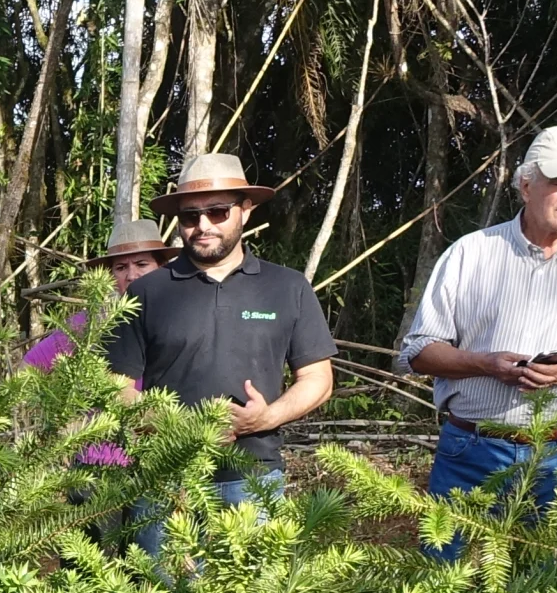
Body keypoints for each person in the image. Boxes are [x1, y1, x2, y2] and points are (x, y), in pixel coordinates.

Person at [399, 126, 557, 553]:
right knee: (443, 585)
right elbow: (417, 352)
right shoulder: (471, 253)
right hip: (472, 452)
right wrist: (487, 364)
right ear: (526, 185)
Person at [104, 152, 336, 518]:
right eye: (190, 215)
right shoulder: (147, 292)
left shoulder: (288, 287)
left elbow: (318, 378)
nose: (203, 225)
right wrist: (177, 427)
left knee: (254, 576)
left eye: (217, 212)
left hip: (255, 477)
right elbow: (116, 386)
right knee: (158, 577)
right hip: (165, 477)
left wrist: (267, 417)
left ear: (245, 210)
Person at [24, 218, 173, 370]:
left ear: (162, 266)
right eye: (121, 268)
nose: (131, 276)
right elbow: (29, 367)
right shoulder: (91, 322)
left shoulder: (184, 312)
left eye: (142, 264)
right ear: (110, 277)